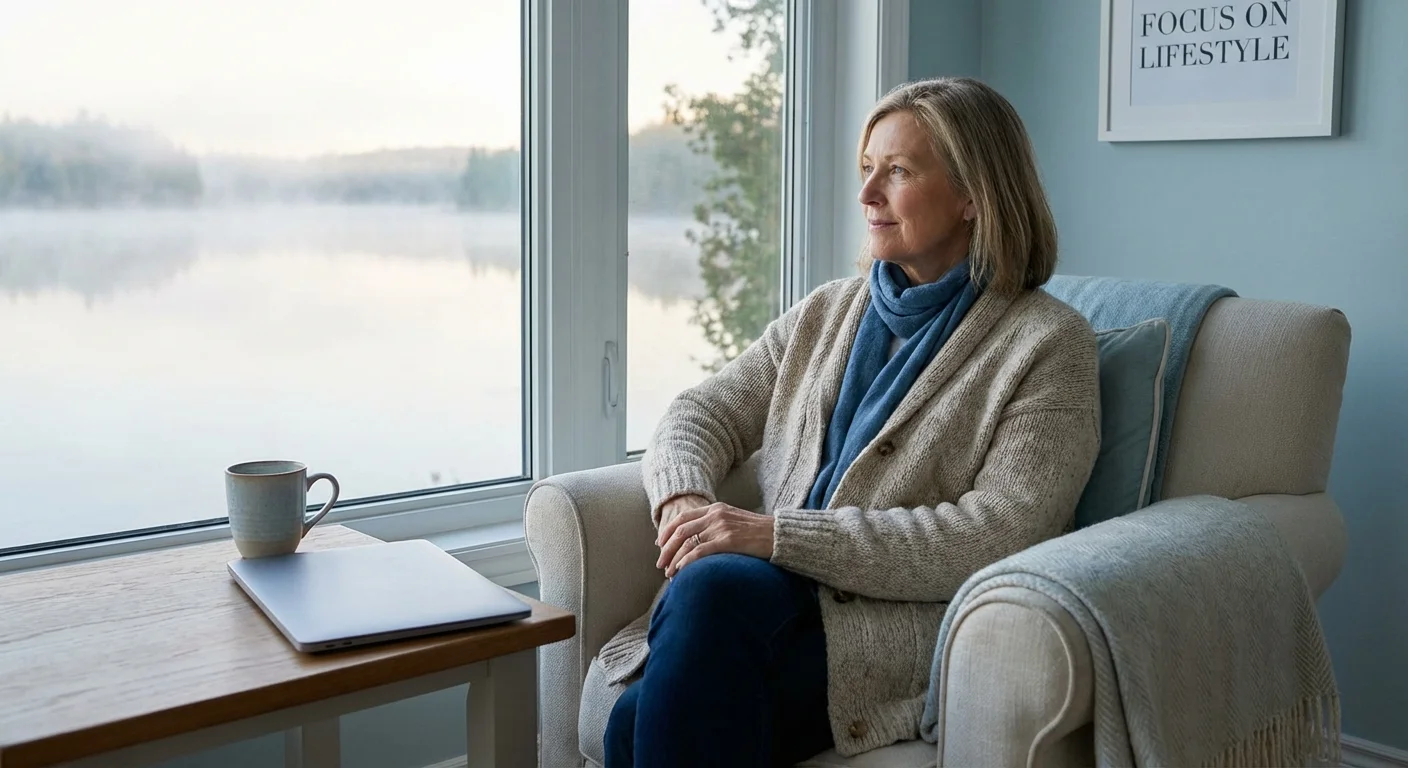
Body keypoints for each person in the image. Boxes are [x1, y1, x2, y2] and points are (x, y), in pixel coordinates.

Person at [599, 76, 1102, 768]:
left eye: (896, 172)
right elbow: (700, 411)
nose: (867, 196)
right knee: (651, 691)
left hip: (890, 625)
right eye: (867, 170)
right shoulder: (828, 312)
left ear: (973, 196)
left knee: (641, 710)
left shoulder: (1047, 344)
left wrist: (774, 535)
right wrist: (685, 500)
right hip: (763, 602)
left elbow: (1000, 532)